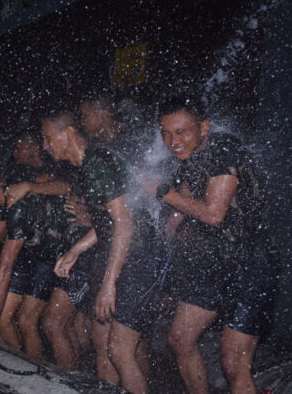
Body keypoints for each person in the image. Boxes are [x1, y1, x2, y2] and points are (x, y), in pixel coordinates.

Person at [141, 97, 273, 394]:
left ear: (204, 127)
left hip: (251, 264)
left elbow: (214, 214)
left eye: (181, 132)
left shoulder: (223, 150)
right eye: (166, 133)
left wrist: (162, 191)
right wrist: (161, 245)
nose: (173, 141)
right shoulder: (190, 157)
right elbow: (182, 207)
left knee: (233, 363)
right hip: (215, 261)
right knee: (179, 340)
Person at [41, 111, 159, 394]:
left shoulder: (97, 165)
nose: (45, 145)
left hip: (138, 258)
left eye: (48, 138)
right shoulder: (88, 165)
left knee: (120, 351)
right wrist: (75, 251)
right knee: (101, 342)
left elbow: (125, 225)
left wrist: (108, 285)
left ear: (68, 133)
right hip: (120, 254)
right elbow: (107, 223)